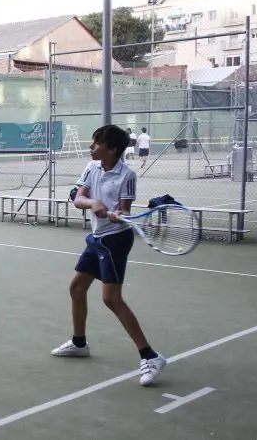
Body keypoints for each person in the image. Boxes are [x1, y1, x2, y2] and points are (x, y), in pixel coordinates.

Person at [51, 124, 167, 387]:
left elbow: (124, 211)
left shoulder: (127, 175)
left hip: (115, 240)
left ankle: (150, 356)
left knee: (111, 299)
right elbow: (78, 198)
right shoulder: (92, 167)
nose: (91, 147)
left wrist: (117, 214)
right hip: (97, 239)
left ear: (112, 149)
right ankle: (79, 343)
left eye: (96, 143)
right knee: (77, 287)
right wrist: (95, 203)